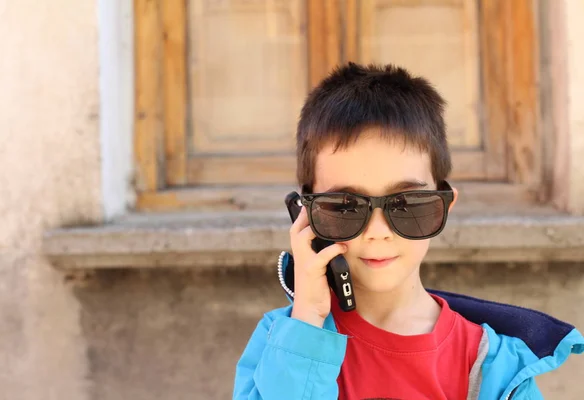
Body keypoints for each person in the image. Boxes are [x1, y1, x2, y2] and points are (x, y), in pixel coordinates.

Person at [232, 63, 583, 400]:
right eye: (345, 206)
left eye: (407, 203)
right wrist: (307, 319)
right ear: (306, 215)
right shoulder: (284, 341)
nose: (378, 231)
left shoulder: (494, 365)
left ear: (444, 204)